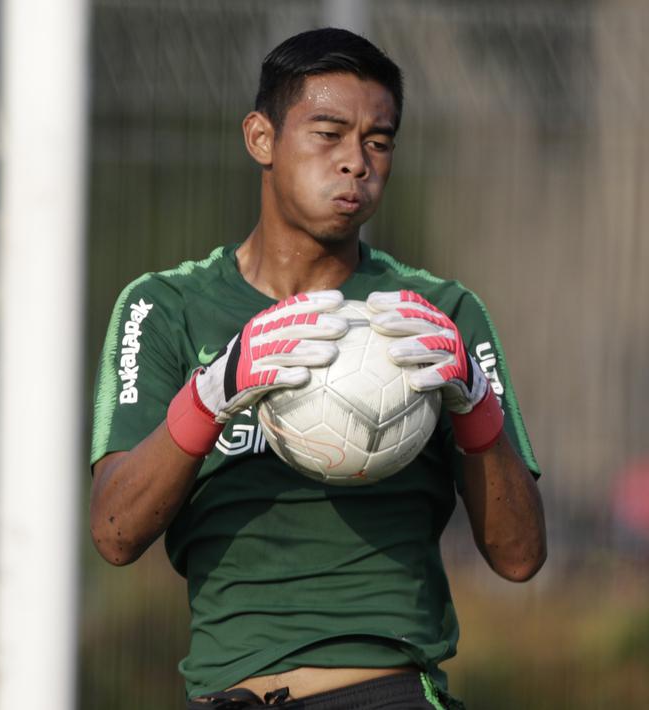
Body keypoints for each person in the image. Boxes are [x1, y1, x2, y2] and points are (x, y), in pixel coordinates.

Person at [88, 28, 546, 709]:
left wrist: (474, 404)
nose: (355, 163)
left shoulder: (435, 316)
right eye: (327, 134)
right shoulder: (166, 307)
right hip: (226, 693)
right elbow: (115, 534)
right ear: (260, 138)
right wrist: (212, 395)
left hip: (385, 691)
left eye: (377, 141)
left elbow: (518, 557)